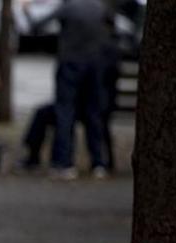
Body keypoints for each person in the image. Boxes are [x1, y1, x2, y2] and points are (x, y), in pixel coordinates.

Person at [25, 0, 113, 180]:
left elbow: (38, 25)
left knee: (65, 112)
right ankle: (98, 162)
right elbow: (112, 28)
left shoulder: (68, 8)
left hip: (71, 62)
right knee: (93, 114)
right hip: (95, 65)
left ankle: (64, 162)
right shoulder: (99, 8)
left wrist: (27, 10)